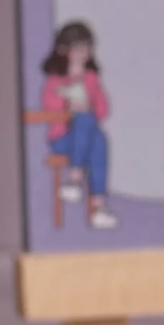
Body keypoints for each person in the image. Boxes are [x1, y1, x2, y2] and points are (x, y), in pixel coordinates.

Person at [39, 21, 117, 229]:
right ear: (64, 50)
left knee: (98, 140)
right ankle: (77, 180)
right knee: (85, 123)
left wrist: (88, 105)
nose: (83, 53)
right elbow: (49, 106)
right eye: (78, 49)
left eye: (87, 48)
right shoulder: (56, 80)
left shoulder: (91, 79)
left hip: (87, 133)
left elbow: (103, 109)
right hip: (63, 138)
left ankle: (96, 203)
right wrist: (68, 106)